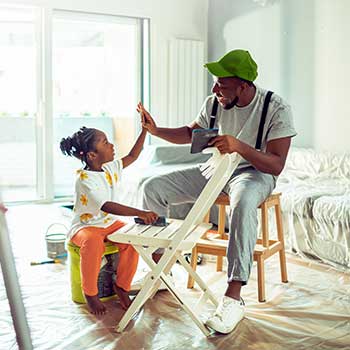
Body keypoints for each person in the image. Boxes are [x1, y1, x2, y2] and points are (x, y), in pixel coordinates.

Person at [138, 49, 297, 334]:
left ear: (244, 86)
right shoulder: (214, 102)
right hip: (216, 168)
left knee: (244, 200)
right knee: (153, 188)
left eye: (222, 84)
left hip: (254, 173)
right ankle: (161, 273)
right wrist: (156, 130)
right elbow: (190, 133)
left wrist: (240, 146)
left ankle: (233, 298)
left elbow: (276, 164)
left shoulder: (275, 107)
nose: (214, 89)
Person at [60, 126, 159, 315]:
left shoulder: (108, 168)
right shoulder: (85, 179)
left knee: (131, 239)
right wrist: (140, 212)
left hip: (108, 223)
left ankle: (122, 286)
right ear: (91, 155)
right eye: (105, 142)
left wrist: (144, 131)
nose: (112, 145)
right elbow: (106, 205)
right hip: (85, 226)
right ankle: (90, 293)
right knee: (92, 241)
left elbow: (132, 156)